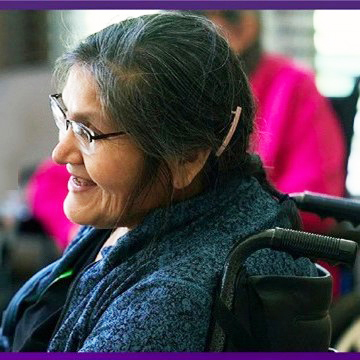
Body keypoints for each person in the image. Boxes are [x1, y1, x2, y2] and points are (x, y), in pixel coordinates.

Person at [0, 12, 318, 352]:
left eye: (88, 133)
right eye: (66, 119)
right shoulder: (139, 210)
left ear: (187, 157)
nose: (60, 152)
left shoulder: (166, 308)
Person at [193, 10, 347, 297]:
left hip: (267, 269)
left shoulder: (293, 85)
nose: (219, 24)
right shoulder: (174, 91)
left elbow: (314, 201)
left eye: (231, 14)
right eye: (204, 13)